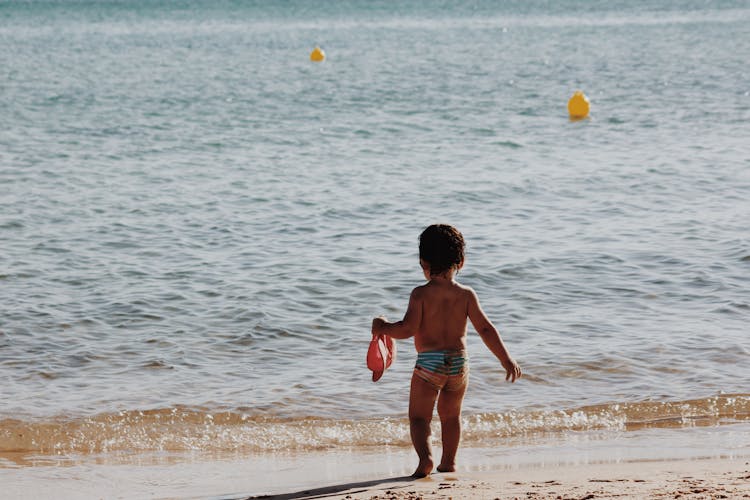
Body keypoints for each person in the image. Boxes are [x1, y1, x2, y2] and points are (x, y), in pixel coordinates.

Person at [372, 224, 521, 478]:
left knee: (419, 418)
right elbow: (485, 329)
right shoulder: (466, 294)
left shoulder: (420, 294)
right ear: (461, 262)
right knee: (451, 417)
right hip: (459, 363)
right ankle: (449, 462)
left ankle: (426, 459)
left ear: (423, 262)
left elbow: (407, 329)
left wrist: (383, 328)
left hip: (429, 364)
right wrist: (506, 359)